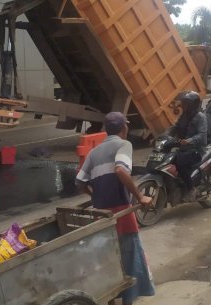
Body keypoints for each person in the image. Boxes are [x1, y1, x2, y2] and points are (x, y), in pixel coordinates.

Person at [75, 112, 154, 305]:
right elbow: (120, 169)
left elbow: (79, 182)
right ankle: (128, 298)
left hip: (100, 212)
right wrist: (139, 196)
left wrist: (95, 196)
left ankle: (110, 297)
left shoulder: (95, 152)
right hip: (120, 209)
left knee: (107, 254)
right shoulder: (123, 144)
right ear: (123, 128)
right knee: (129, 253)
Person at [166, 91, 207, 197]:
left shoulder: (200, 117)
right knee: (166, 159)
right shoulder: (184, 115)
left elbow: (202, 135)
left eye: (187, 103)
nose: (184, 106)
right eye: (184, 103)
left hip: (196, 150)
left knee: (180, 163)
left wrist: (189, 140)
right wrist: (163, 136)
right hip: (182, 148)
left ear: (194, 104)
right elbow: (174, 127)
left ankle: (191, 188)